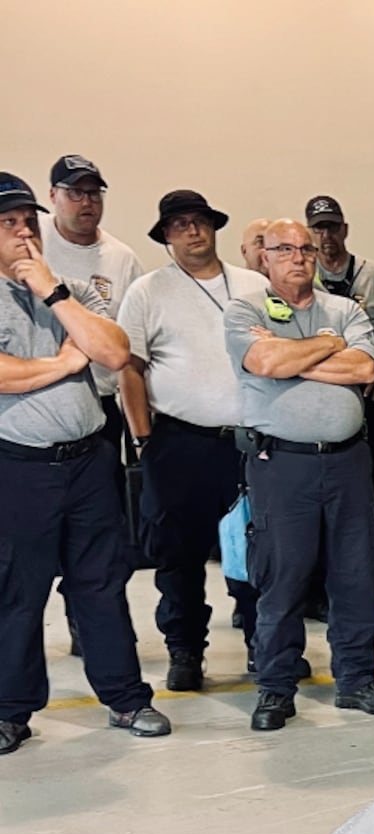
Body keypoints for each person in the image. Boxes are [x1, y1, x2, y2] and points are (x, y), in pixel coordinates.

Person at [0, 173, 169, 754]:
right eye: (8, 224)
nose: (24, 233)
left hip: (89, 461)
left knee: (101, 583)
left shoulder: (70, 286)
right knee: (18, 592)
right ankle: (10, 711)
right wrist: (62, 364)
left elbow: (114, 352)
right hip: (18, 467)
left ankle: (126, 698)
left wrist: (51, 291)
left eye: (28, 222)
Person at [224, 218, 374, 732]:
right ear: (264, 257)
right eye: (285, 249)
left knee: (354, 575)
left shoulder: (343, 309)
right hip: (282, 466)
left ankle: (357, 680)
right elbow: (263, 360)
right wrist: (328, 346)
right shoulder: (246, 310)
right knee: (282, 579)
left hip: (348, 462)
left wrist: (293, 357)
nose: (299, 256)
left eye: (306, 248)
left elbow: (365, 370)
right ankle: (276, 688)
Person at [118, 190, 268, 690]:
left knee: (256, 548)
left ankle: (262, 643)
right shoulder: (146, 291)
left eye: (199, 221)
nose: (191, 231)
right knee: (178, 554)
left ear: (214, 227)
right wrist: (145, 440)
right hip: (178, 442)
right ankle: (185, 650)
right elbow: (130, 369)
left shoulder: (252, 284)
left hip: (249, 440)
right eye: (179, 224)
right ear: (165, 236)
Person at [304, 195, 374, 600]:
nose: (326, 236)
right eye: (318, 228)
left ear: (345, 229)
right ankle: (326, 576)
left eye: (333, 227)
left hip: (366, 401)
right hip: (318, 402)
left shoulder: (373, 276)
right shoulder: (302, 277)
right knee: (323, 493)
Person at [40, 155, 145, 443]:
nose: (87, 202)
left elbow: (131, 344)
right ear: (52, 195)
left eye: (94, 193)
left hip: (98, 398)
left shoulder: (122, 259)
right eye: (75, 192)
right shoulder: (32, 236)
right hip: (33, 396)